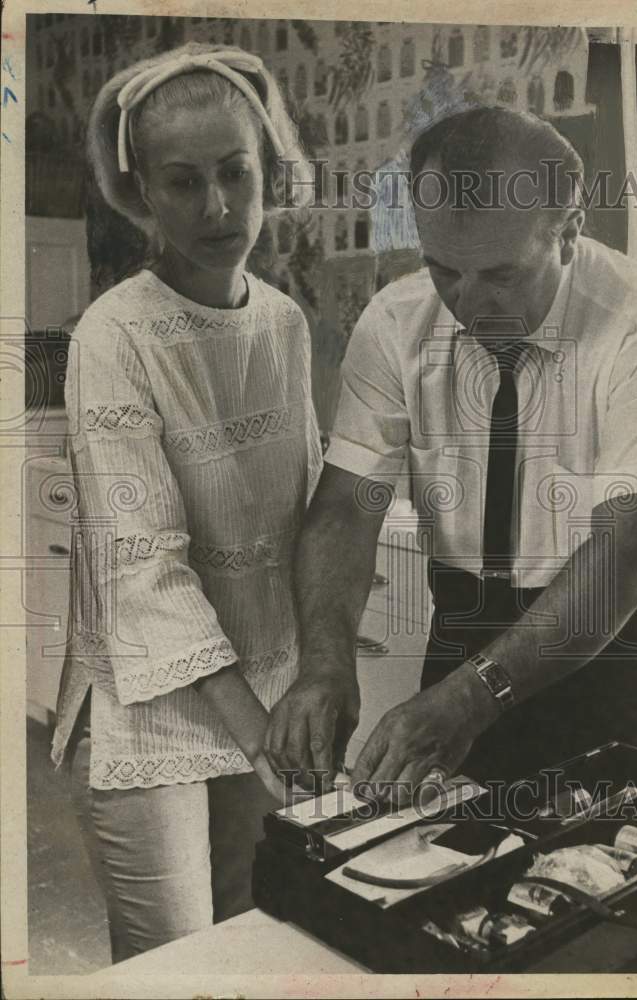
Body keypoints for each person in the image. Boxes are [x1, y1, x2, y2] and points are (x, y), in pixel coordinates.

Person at [265, 107, 637, 797]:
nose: (466, 306)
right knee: (436, 845)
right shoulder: (394, 320)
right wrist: (324, 666)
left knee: (599, 845)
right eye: (443, 269)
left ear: (567, 233)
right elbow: (347, 509)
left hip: (614, 621)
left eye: (499, 276)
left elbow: (621, 561)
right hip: (468, 609)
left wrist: (471, 699)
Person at [50, 43, 322, 961]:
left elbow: (303, 516)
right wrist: (260, 737)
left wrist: (308, 691)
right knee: (176, 961)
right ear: (142, 195)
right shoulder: (114, 335)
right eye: (182, 182)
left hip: (263, 686)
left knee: (249, 938)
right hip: (150, 703)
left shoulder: (282, 322)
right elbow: (145, 566)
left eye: (235, 173)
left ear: (266, 169)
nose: (216, 208)